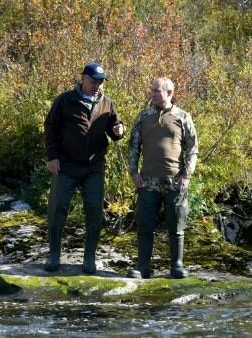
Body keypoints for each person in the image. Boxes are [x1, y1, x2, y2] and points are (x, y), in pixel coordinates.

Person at [43, 62, 124, 274]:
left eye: (100, 81)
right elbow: (50, 127)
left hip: (94, 167)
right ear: (83, 79)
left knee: (94, 211)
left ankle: (89, 258)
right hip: (66, 165)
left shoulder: (107, 103)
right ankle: (54, 255)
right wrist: (52, 157)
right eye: (93, 80)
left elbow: (115, 131)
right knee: (57, 209)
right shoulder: (65, 100)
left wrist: (119, 131)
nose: (97, 85)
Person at [127, 77, 198, 279]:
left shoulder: (183, 117)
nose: (153, 93)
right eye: (152, 90)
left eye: (157, 90)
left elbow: (192, 149)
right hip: (147, 181)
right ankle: (142, 267)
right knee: (144, 224)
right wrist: (134, 172)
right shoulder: (143, 116)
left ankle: (177, 266)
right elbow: (133, 147)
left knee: (176, 224)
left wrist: (187, 175)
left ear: (169, 93)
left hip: (175, 181)